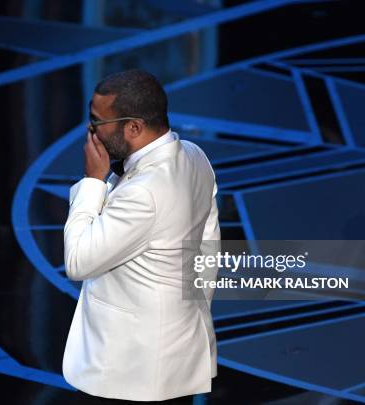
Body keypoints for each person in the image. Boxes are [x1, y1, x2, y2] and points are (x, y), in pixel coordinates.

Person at [62, 69, 220, 403]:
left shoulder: (144, 192)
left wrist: (92, 181)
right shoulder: (194, 156)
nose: (90, 131)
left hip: (128, 372)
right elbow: (207, 250)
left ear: (133, 127)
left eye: (97, 122)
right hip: (175, 358)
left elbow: (78, 261)